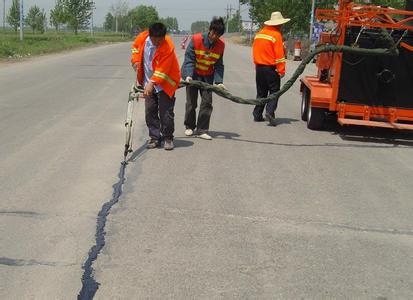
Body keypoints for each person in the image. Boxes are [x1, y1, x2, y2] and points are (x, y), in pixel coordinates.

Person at [130, 22, 181, 150]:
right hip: (148, 81)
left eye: (161, 40)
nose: (158, 43)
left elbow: (162, 69)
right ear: (150, 35)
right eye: (155, 40)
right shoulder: (142, 38)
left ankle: (168, 138)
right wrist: (135, 61)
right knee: (150, 110)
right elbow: (135, 48)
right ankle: (154, 137)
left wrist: (152, 83)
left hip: (165, 83)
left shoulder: (168, 45)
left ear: (164, 37)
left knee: (166, 112)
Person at [181, 17, 226, 140]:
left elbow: (218, 65)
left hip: (207, 75)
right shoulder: (196, 39)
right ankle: (189, 126)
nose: (214, 37)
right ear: (210, 30)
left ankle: (202, 130)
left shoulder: (221, 46)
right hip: (193, 74)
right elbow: (189, 59)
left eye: (218, 35)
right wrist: (188, 75)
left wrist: (219, 82)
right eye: (213, 33)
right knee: (191, 102)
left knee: (207, 102)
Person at [252, 11, 290, 126]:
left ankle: (257, 115)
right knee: (274, 91)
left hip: (259, 68)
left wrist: (257, 65)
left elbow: (255, 52)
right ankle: (269, 112)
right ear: (278, 24)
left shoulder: (259, 34)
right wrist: (281, 70)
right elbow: (279, 56)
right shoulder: (276, 35)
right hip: (270, 68)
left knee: (261, 92)